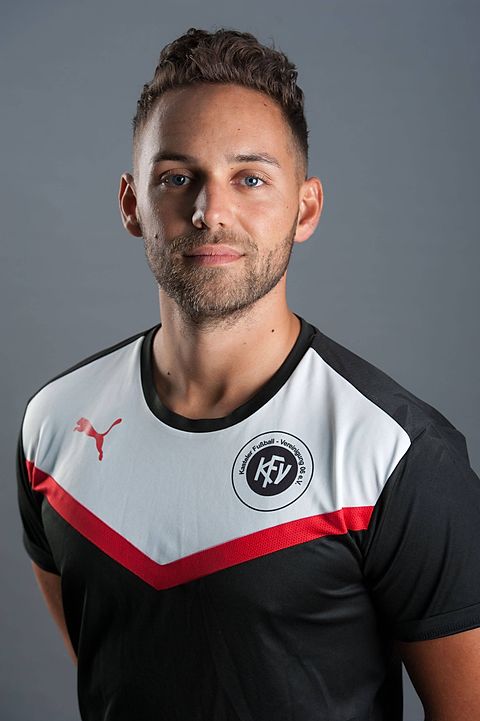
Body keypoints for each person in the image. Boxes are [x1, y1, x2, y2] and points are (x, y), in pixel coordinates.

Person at [16, 26, 480, 721]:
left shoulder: (397, 455)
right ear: (132, 204)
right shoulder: (53, 424)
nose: (211, 212)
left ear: (305, 208)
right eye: (177, 178)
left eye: (251, 178)